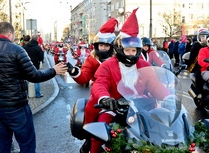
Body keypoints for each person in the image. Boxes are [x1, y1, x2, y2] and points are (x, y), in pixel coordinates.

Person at [89, 8, 170, 153]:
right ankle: (93, 150)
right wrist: (105, 98)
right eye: (128, 50)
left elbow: (154, 85)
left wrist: (168, 96)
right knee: (101, 131)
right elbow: (100, 83)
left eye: (134, 50)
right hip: (114, 106)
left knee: (162, 129)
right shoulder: (108, 65)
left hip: (141, 106)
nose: (131, 54)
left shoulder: (143, 65)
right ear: (120, 49)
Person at [0, 22, 68, 153]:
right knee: (27, 145)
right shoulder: (16, 49)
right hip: (16, 107)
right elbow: (34, 76)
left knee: (3, 146)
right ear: (9, 33)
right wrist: (54, 70)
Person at [67, 17, 119, 153]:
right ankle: (90, 138)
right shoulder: (92, 59)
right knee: (91, 110)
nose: (103, 48)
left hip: (120, 94)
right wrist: (73, 71)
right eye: (100, 45)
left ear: (112, 46)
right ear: (96, 46)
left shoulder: (119, 59)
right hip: (99, 94)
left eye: (106, 45)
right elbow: (84, 77)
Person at [188, 29, 209, 96]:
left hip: (206, 66)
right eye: (202, 37)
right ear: (198, 37)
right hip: (197, 66)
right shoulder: (196, 46)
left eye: (206, 37)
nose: (204, 39)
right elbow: (191, 58)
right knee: (198, 75)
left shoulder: (207, 46)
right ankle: (199, 94)